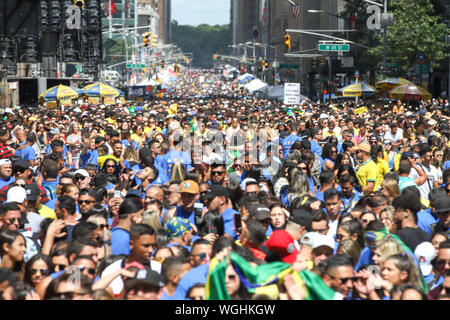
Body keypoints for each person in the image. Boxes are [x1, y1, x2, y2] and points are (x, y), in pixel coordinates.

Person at [101, 223, 160, 298]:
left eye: (153, 245)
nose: (151, 250)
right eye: (146, 246)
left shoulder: (158, 269)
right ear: (131, 244)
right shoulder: (111, 271)